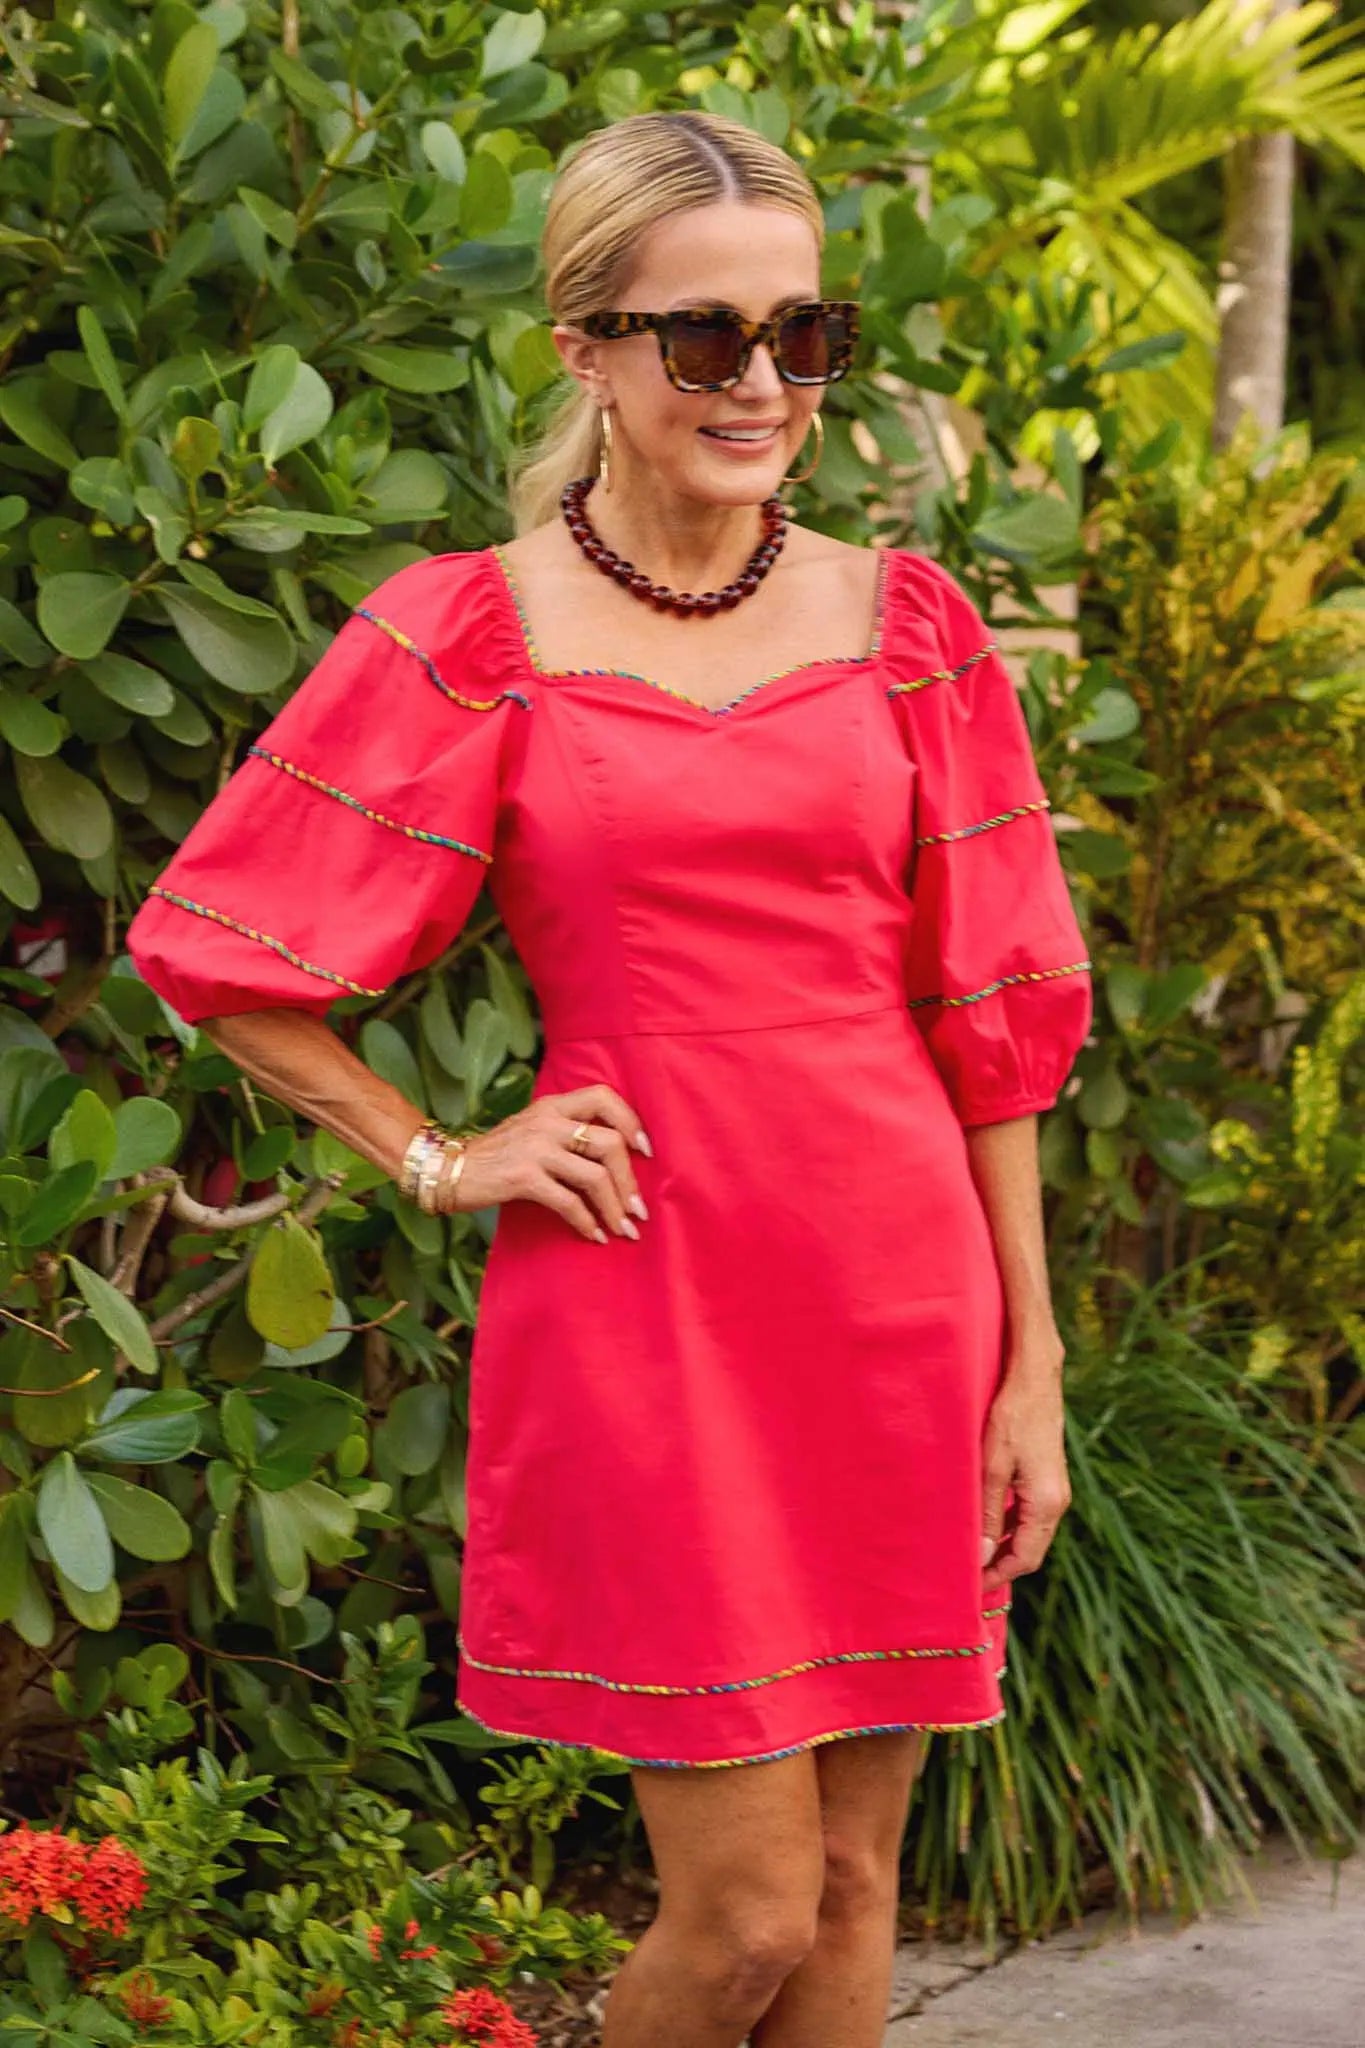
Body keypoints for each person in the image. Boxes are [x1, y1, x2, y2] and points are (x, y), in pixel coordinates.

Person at [126, 109, 1092, 2048]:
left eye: (802, 335)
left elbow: (990, 1016)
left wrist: (1032, 1363)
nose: (763, 384)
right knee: (738, 1918)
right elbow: (218, 951)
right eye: (705, 336)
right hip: (649, 1294)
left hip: (898, 1293)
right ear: (582, 345)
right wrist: (435, 1152)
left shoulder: (911, 625)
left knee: (849, 1894)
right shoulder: (466, 630)